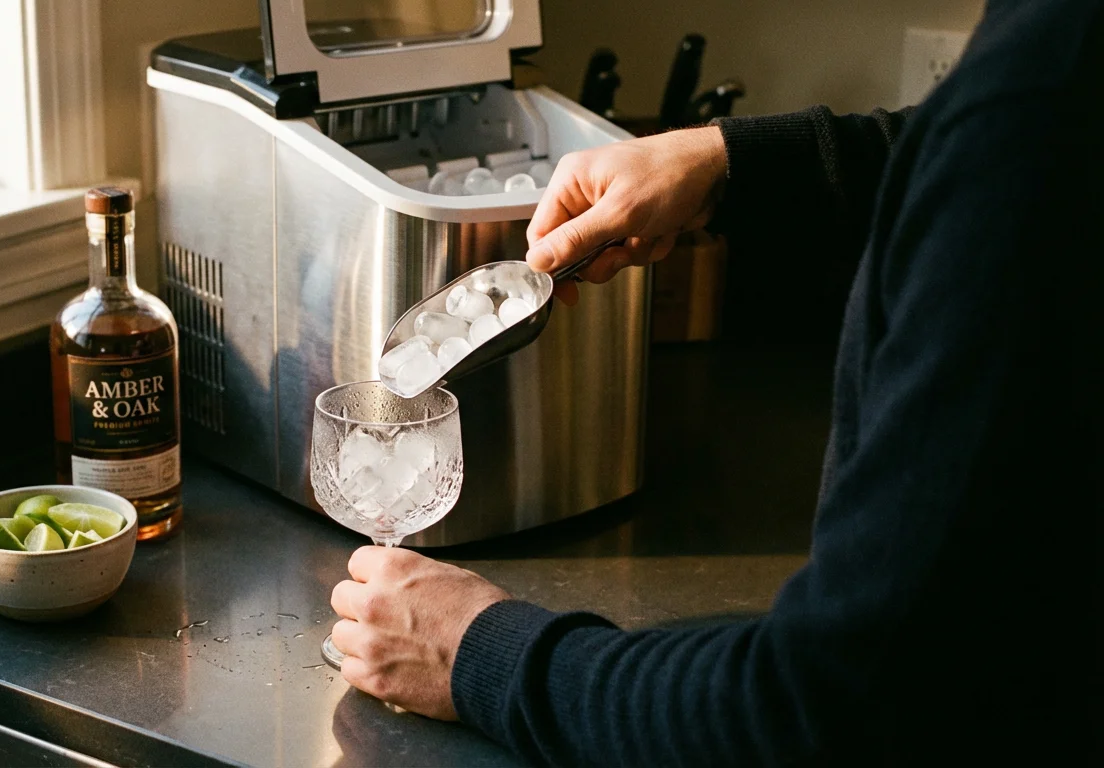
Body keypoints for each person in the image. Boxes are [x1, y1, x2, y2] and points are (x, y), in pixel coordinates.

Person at [327, 0, 1101, 765]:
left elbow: (828, 706)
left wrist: (479, 654)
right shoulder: (1047, 81)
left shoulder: (1043, 101)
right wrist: (725, 162)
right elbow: (946, 155)